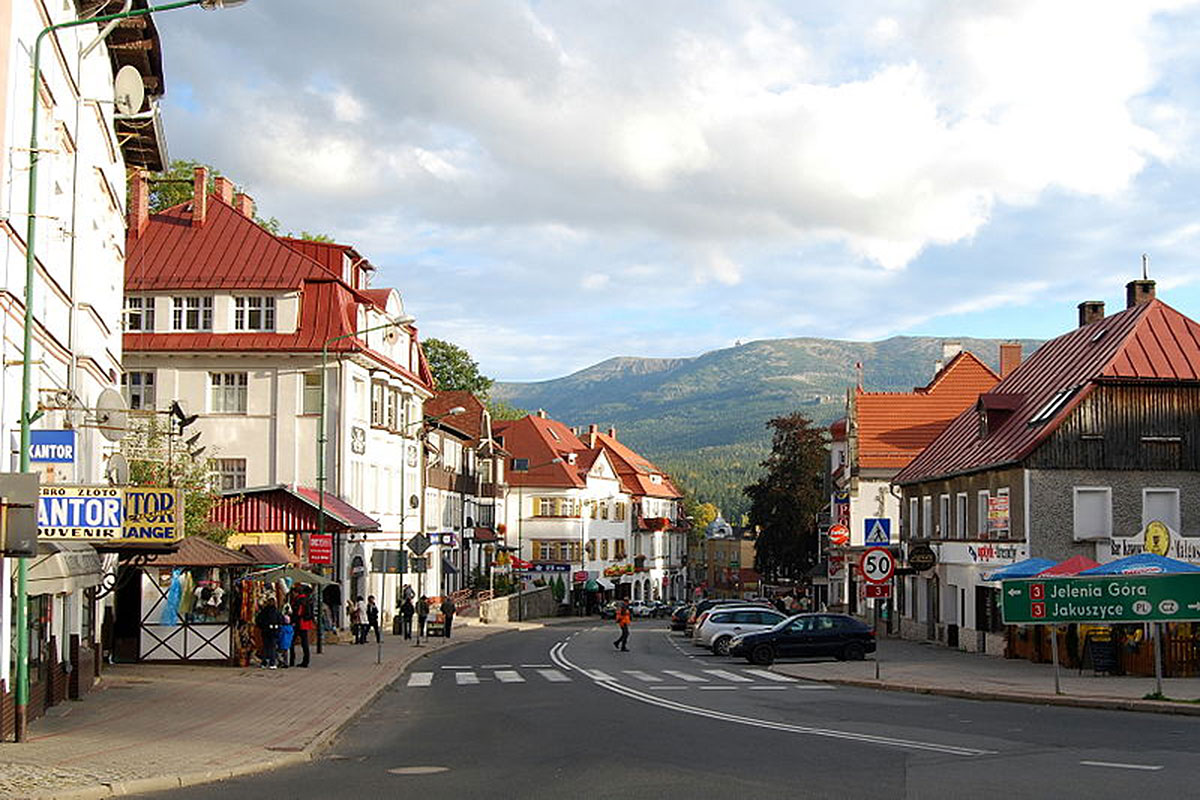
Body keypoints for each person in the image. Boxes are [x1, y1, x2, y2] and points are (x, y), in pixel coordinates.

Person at [255, 597, 283, 669]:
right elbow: (281, 620)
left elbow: (258, 620)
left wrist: (262, 627)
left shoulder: (264, 611)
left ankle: (264, 663)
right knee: (273, 647)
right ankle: (272, 663)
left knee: (265, 647)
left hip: (265, 631)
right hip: (274, 631)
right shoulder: (277, 611)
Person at [292, 590, 313, 667]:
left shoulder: (299, 601)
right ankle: (306, 660)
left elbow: (298, 613)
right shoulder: (307, 599)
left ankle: (292, 660)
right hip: (305, 624)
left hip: (299, 623)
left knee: (292, 642)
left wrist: (293, 621)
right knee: (305, 643)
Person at [278, 604, 295, 668]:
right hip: (288, 643)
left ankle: (281, 662)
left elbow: (280, 635)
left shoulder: (282, 628)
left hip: (282, 642)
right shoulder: (290, 628)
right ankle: (286, 663)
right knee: (286, 652)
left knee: (279, 652)